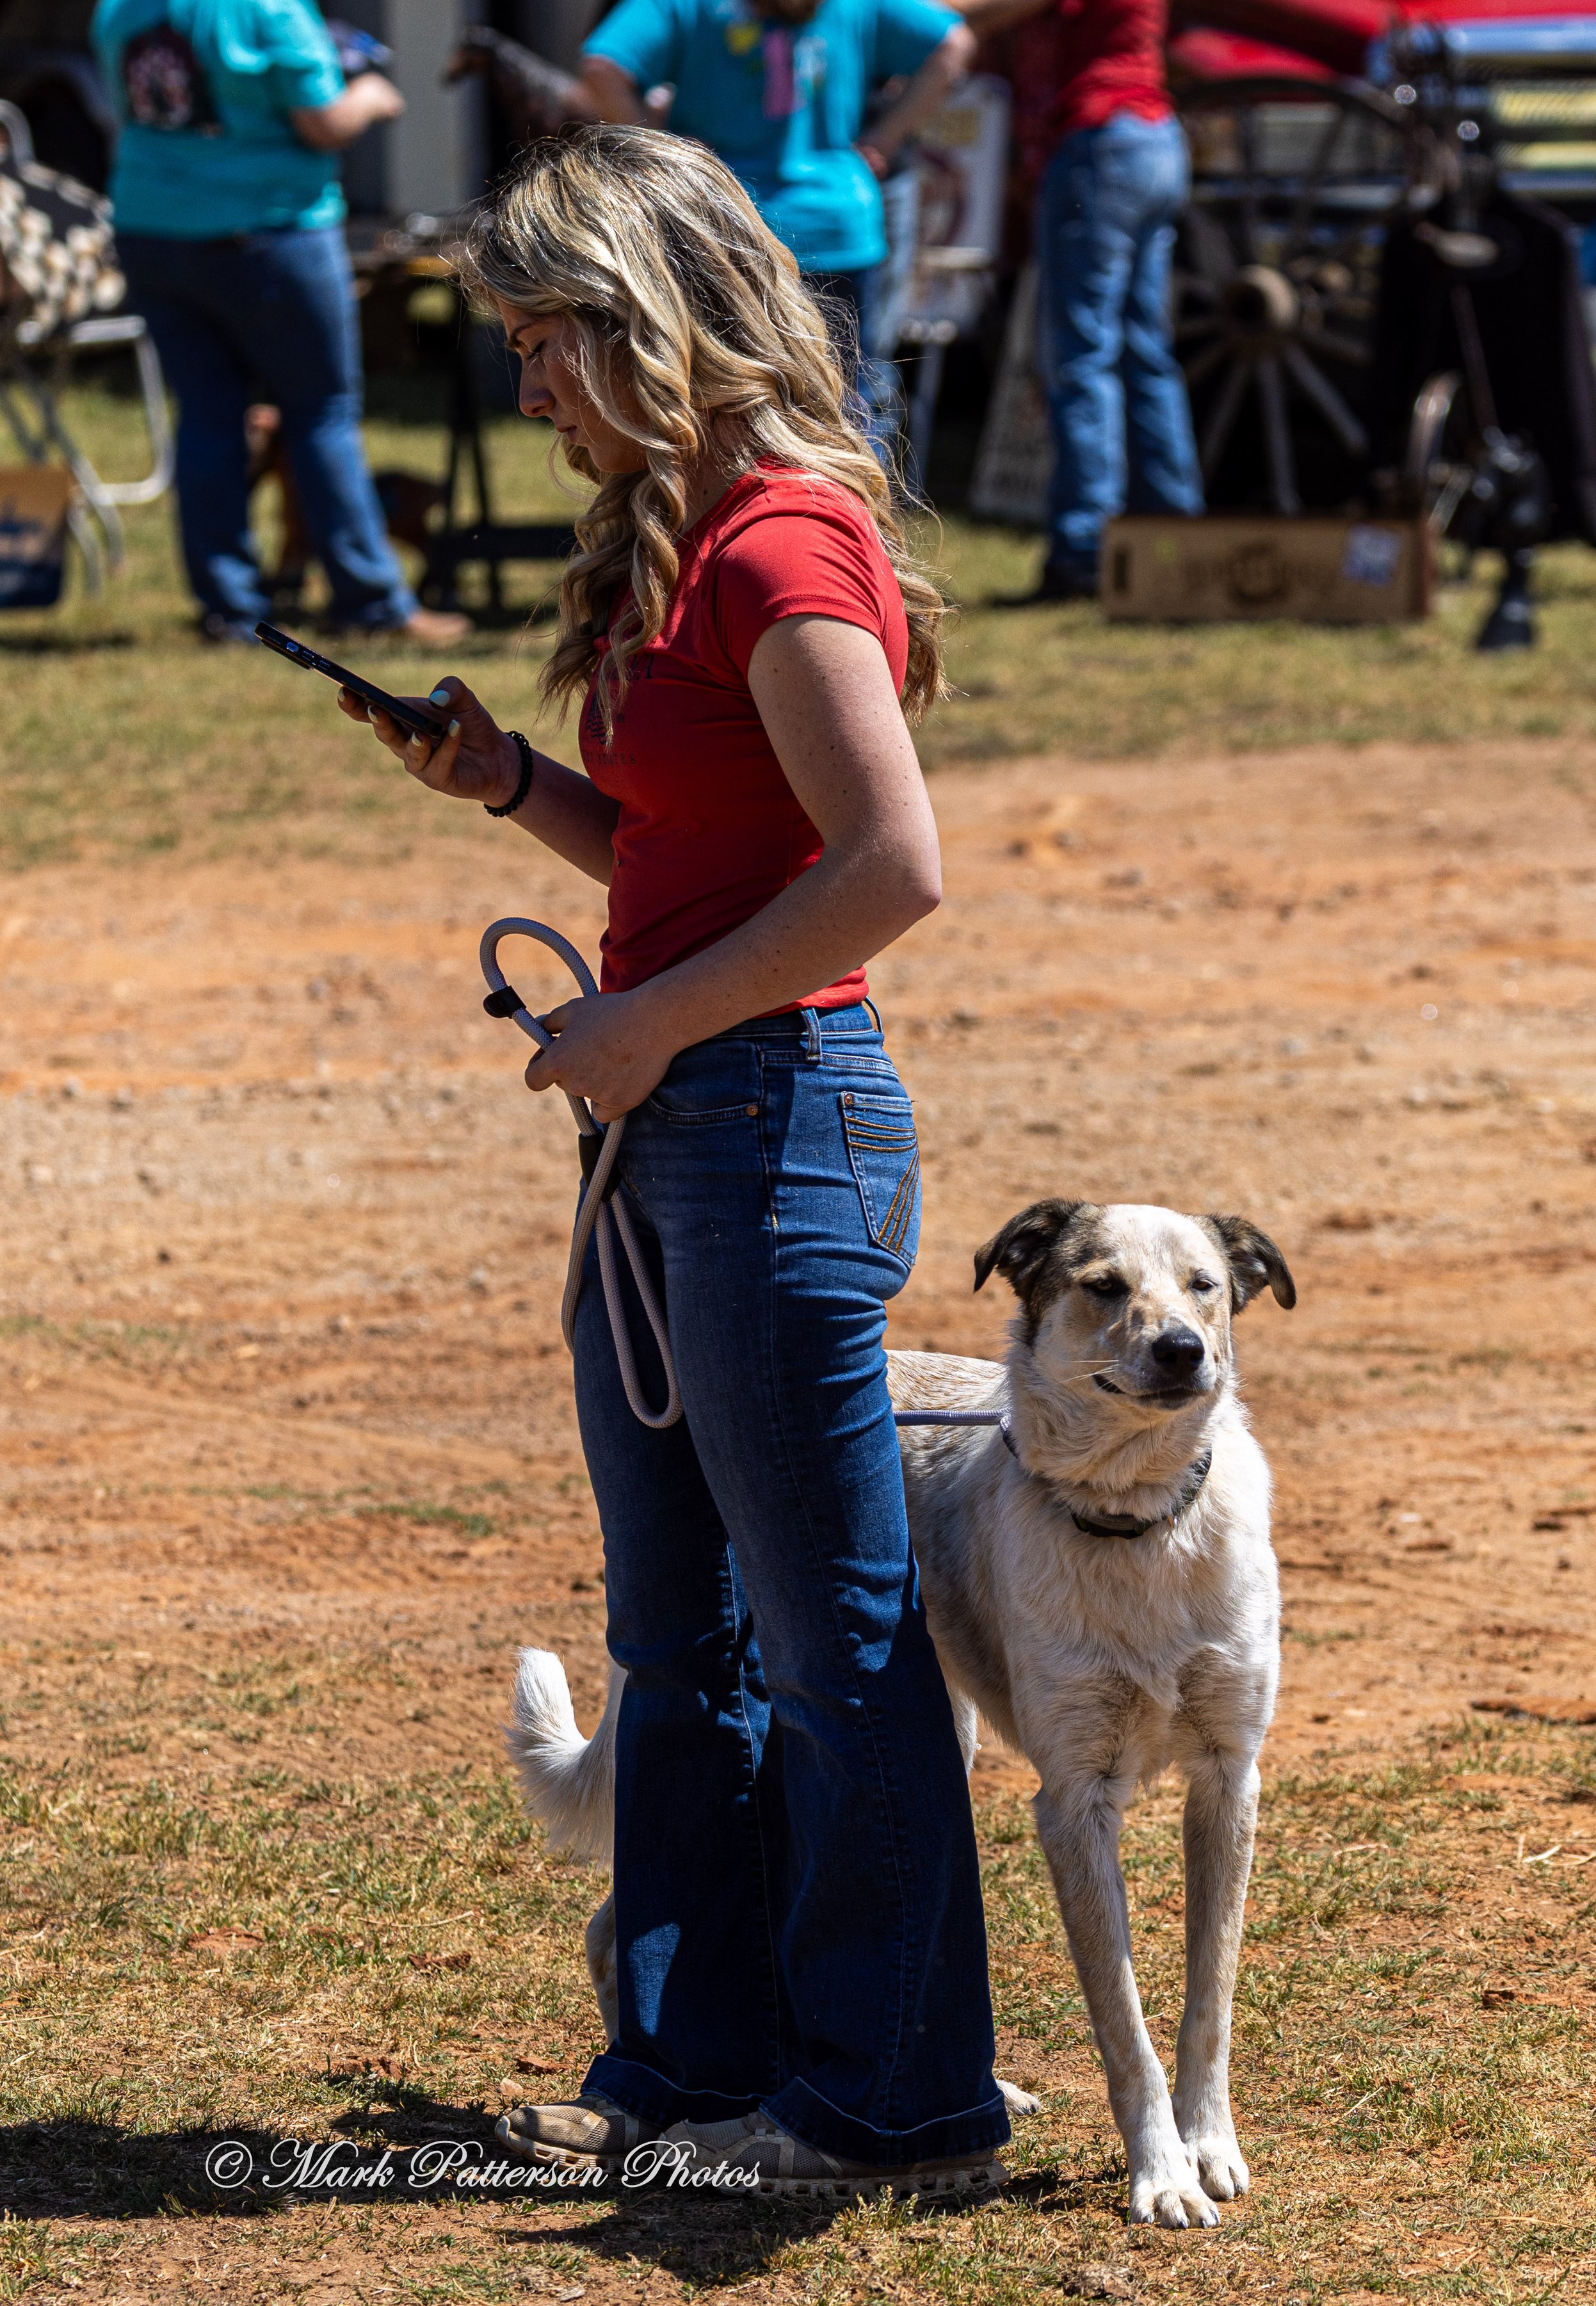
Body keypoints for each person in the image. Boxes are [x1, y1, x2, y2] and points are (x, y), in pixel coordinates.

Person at [344, 124, 1009, 2196]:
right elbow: (701, 864)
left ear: (653, 322)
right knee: (684, 1636)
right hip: (687, 1129)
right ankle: (691, 2063)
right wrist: (518, 784)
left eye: (549, 340)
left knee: (830, 1640)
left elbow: (892, 869)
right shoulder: (685, 537)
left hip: (761, 1121)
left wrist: (642, 1024)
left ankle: (892, 2101)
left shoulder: (774, 546)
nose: (527, 385)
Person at [90, 0, 466, 645]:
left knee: (208, 413)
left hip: (152, 229)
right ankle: (370, 600)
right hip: (267, 231)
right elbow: (323, 121)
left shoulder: (118, 7)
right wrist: (374, 95)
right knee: (322, 412)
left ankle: (229, 607)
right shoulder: (270, 9)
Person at [573, 0, 976, 460]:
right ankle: (843, 524)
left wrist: (667, 157)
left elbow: (603, 67)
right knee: (833, 402)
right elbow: (952, 44)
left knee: (760, 404)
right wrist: (886, 137)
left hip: (751, 232)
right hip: (781, 233)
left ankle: (810, 524)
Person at [970, 0, 1203, 598]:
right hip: (1151, 135)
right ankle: (1171, 534)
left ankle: (1085, 552)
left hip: (1100, 141)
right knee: (1144, 351)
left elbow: (984, 13)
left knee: (1080, 358)